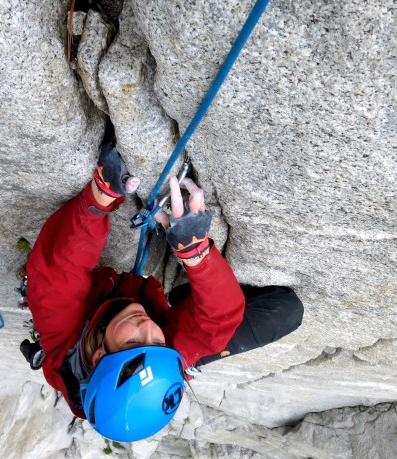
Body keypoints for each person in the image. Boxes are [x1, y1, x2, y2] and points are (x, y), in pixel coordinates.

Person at [21, 139, 302, 442]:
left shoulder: (65, 337)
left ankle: (179, 324)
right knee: (287, 311)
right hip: (165, 354)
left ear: (99, 353)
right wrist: (196, 254)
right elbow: (219, 319)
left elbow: (60, 268)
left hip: (99, 308)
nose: (147, 327)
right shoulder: (151, 348)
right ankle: (181, 345)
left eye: (132, 342)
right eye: (156, 341)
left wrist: (101, 196)